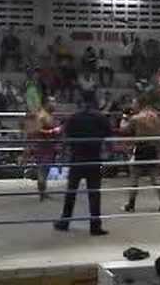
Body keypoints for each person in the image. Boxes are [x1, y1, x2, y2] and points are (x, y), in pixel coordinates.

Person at [53, 92, 112, 236]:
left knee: (71, 191)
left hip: (77, 158)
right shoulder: (100, 117)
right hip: (94, 157)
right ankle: (95, 226)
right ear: (94, 102)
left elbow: (67, 136)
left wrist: (66, 152)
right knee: (94, 193)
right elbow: (108, 133)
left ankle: (65, 222)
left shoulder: (74, 117)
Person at [121, 95, 160, 213]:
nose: (132, 105)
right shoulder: (155, 116)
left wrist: (124, 117)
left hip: (141, 149)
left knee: (134, 177)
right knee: (155, 178)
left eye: (134, 103)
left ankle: (131, 204)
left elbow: (124, 130)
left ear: (139, 104)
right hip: (153, 148)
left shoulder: (136, 118)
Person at [26, 96, 61, 201]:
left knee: (45, 170)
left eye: (55, 102)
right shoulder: (41, 115)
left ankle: (43, 192)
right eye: (52, 102)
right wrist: (53, 131)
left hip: (49, 146)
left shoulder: (49, 115)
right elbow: (35, 130)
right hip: (42, 146)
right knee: (42, 170)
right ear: (46, 104)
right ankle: (42, 193)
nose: (55, 104)